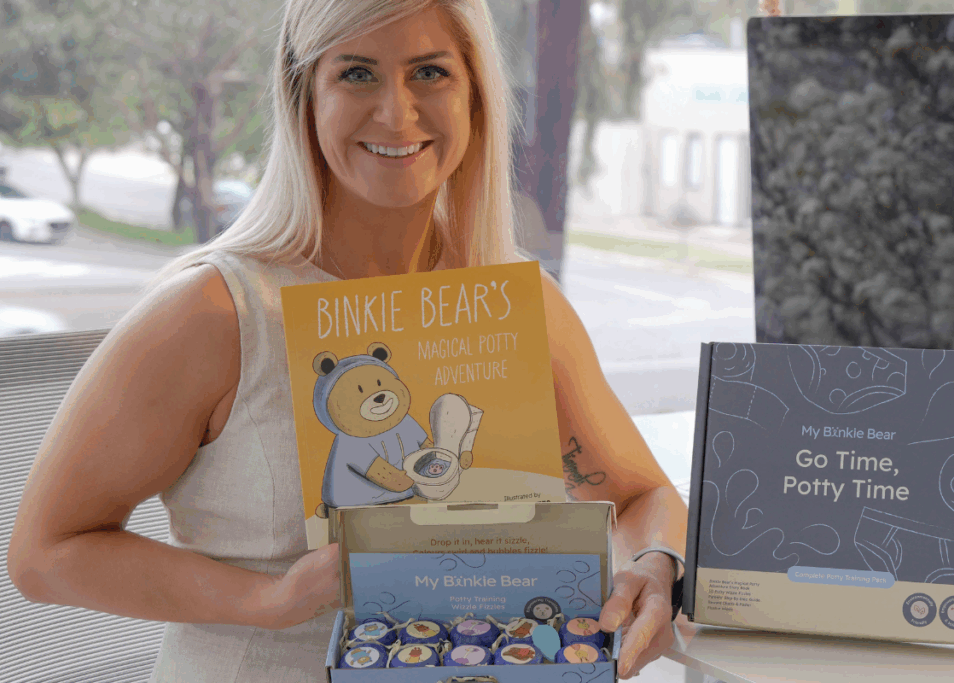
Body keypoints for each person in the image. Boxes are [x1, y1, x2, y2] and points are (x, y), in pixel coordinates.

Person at [7, 0, 688, 680]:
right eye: (357, 74)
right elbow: (45, 551)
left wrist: (654, 566)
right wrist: (271, 598)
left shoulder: (520, 307)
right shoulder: (213, 312)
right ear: (304, 96)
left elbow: (642, 496)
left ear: (476, 95)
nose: (396, 113)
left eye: (429, 72)